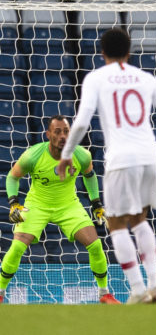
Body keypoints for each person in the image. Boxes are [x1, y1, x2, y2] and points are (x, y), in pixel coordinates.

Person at [57, 28, 156, 304]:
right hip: (150, 155)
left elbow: (81, 121)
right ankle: (155, 285)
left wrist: (67, 153)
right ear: (129, 51)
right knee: (140, 220)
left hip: (121, 157)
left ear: (102, 53)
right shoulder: (145, 78)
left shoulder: (96, 78)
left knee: (115, 223)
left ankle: (138, 289)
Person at [0, 115, 119, 304]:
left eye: (66, 131)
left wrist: (96, 204)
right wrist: (14, 202)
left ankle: (104, 293)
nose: (63, 136)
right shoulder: (33, 155)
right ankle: (0, 292)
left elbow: (89, 175)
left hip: (68, 205)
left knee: (96, 245)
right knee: (16, 248)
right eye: (57, 132)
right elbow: (12, 177)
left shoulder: (82, 155)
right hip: (37, 204)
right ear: (48, 134)